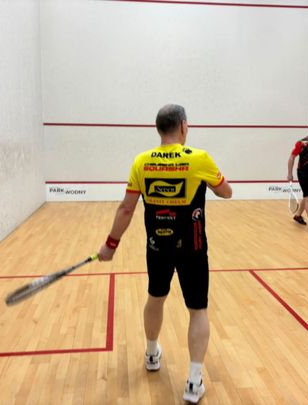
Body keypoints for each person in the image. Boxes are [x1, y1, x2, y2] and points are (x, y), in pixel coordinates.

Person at [98, 104, 232, 403]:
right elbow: (226, 191)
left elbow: (126, 209)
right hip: (193, 248)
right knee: (197, 309)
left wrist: (111, 244)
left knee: (155, 298)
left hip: (157, 246)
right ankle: (194, 382)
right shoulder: (198, 158)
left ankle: (151, 354)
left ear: (159, 129)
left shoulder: (142, 161)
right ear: (183, 126)